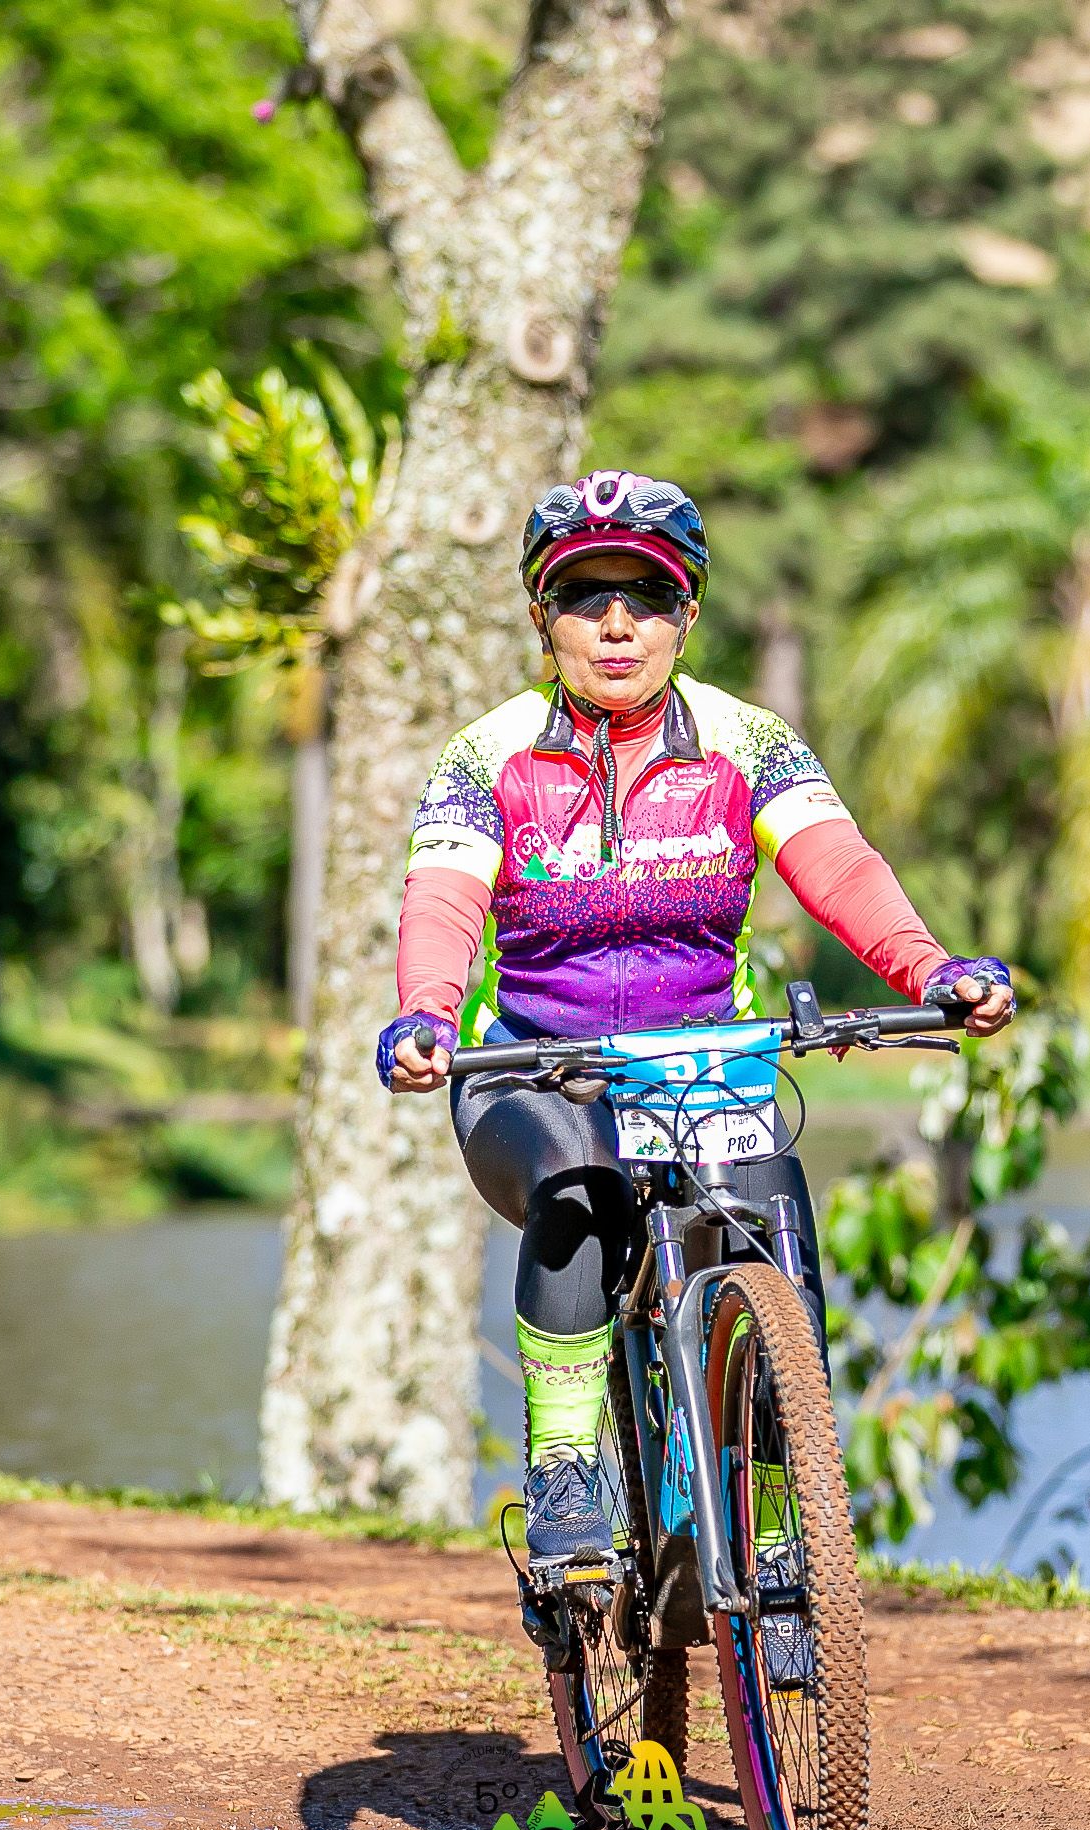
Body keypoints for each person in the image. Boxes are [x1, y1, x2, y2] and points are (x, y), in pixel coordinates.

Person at [377, 469, 1015, 1566]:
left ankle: (779, 1484)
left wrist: (932, 969)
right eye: (584, 596)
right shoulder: (488, 756)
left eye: (648, 595)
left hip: (700, 1061)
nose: (616, 623)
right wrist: (426, 1012)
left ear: (689, 613)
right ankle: (565, 1463)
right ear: (541, 617)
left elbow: (840, 868)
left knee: (770, 1207)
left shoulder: (746, 741)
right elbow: (443, 900)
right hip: (531, 1069)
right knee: (577, 1187)